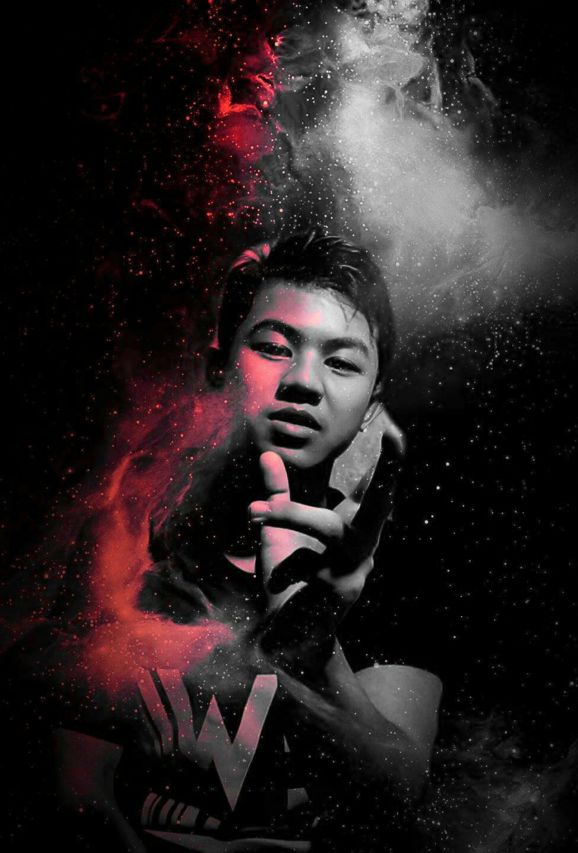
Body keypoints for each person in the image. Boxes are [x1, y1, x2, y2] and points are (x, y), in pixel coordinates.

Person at [37, 229, 443, 851]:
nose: (304, 381)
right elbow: (78, 798)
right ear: (218, 363)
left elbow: (398, 799)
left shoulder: (387, 572)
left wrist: (315, 653)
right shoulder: (129, 546)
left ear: (371, 404)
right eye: (274, 347)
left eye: (341, 361)